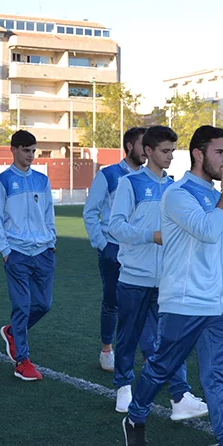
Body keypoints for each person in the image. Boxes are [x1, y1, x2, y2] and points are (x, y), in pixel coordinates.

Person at [122, 126, 223, 446]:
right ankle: (135, 416)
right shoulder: (178, 194)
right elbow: (206, 231)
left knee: (219, 375)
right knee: (161, 368)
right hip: (185, 302)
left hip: (222, 303)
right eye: (220, 152)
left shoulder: (211, 195)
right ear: (199, 155)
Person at [108, 125, 208, 419]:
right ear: (147, 151)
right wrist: (150, 235)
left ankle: (180, 396)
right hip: (134, 277)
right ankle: (124, 387)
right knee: (129, 337)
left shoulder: (175, 187)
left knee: (171, 339)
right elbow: (115, 226)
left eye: (173, 151)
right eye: (165, 151)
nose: (170, 157)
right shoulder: (130, 184)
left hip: (168, 279)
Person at [0, 129, 56, 381]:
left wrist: (51, 241)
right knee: (22, 306)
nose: (30, 155)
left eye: (33, 151)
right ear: (14, 150)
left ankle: (12, 333)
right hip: (16, 252)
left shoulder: (42, 180)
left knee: (44, 304)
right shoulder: (3, 181)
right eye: (26, 150)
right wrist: (5, 250)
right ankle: (22, 361)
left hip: (43, 251)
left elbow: (49, 213)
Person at [83, 127, 147, 372]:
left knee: (144, 301)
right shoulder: (108, 175)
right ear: (130, 146)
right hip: (114, 249)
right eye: (144, 145)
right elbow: (90, 212)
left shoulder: (149, 177)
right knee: (112, 301)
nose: (147, 151)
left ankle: (145, 350)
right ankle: (107, 350)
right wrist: (103, 245)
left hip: (141, 249)